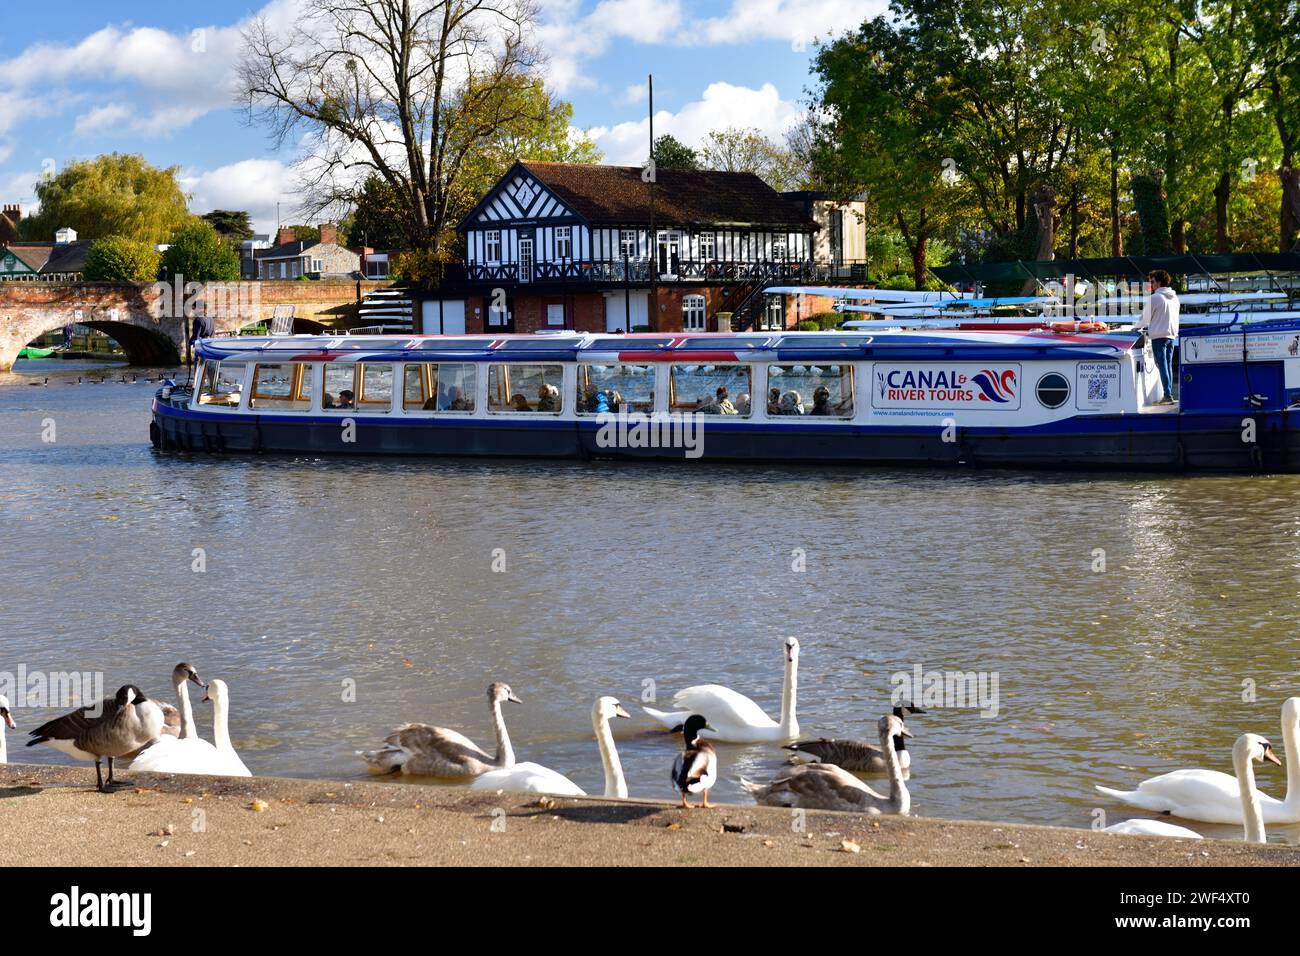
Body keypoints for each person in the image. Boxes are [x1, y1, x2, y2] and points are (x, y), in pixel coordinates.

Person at [1136, 269, 1180, 404]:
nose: (1151, 284)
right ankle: (1168, 393)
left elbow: (1144, 319)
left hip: (1158, 337)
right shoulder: (1175, 298)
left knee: (1162, 366)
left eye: (1153, 281)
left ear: (1159, 282)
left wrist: (1134, 328)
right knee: (1167, 366)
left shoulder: (1154, 298)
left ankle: (1167, 395)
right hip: (1171, 336)